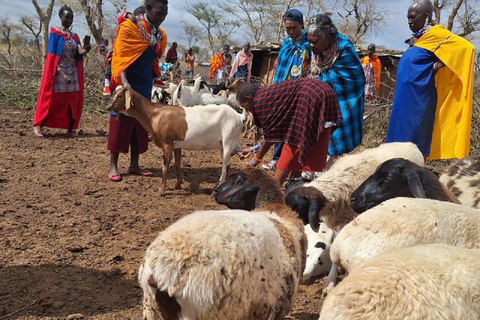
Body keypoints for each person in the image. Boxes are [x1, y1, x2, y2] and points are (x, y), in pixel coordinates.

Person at [386, 0, 475, 160]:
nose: (409, 21)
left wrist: (436, 66)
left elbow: (466, 48)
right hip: (404, 96)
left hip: (420, 99)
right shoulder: (420, 38)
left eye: (413, 17)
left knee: (413, 139)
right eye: (408, 18)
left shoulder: (437, 35)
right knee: (397, 139)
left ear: (426, 16)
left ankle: (414, 173)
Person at [236, 78, 341, 185]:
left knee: (293, 146)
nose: (246, 110)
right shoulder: (265, 95)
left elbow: (269, 139)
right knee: (301, 147)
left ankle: (273, 192)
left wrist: (255, 160)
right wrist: (254, 149)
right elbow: (273, 134)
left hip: (310, 96)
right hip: (324, 93)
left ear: (248, 99)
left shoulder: (259, 104)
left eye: (244, 106)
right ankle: (295, 186)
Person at [107, 0, 168, 182]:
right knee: (120, 122)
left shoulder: (158, 34)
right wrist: (124, 82)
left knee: (140, 125)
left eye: (165, 15)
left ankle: (135, 164)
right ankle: (113, 165)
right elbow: (120, 58)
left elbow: (154, 58)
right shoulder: (129, 28)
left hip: (144, 84)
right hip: (127, 84)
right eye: (159, 14)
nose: (162, 18)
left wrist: (156, 77)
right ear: (148, 9)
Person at [307, 14, 365, 167]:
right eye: (309, 42)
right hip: (318, 102)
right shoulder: (316, 50)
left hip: (342, 101)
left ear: (327, 37)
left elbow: (355, 80)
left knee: (329, 142)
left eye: (315, 42)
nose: (311, 46)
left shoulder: (344, 49)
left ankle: (322, 173)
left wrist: (322, 86)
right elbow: (314, 71)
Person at [263, 8, 311, 171]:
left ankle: (294, 163)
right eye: (287, 28)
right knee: (279, 125)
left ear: (302, 25)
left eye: (293, 28)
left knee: (295, 130)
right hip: (282, 92)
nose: (290, 31)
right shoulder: (285, 45)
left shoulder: (310, 45)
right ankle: (277, 159)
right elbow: (279, 70)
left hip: (299, 94)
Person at [33, 5, 91, 138]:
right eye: (67, 17)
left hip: (73, 72)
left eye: (71, 18)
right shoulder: (55, 34)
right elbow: (52, 59)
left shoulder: (74, 36)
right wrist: (62, 74)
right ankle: (39, 126)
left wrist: (86, 49)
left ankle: (70, 129)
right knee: (53, 100)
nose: (69, 20)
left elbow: (79, 52)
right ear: (61, 17)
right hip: (58, 73)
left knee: (73, 100)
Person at [103, 6, 148, 96]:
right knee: (111, 64)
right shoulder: (128, 23)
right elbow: (120, 19)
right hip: (119, 50)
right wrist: (128, 14)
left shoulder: (146, 31)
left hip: (134, 56)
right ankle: (107, 84)